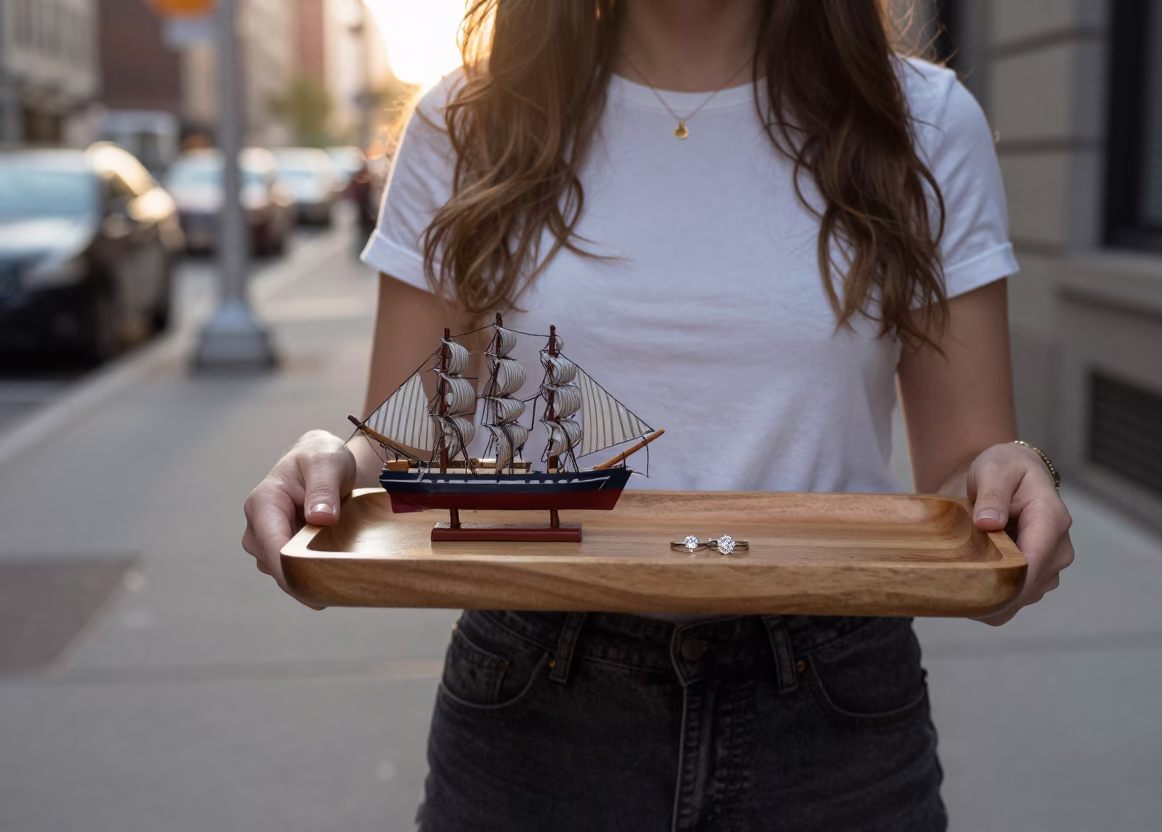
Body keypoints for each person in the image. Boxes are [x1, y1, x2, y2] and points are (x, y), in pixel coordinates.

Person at [242, 1, 1076, 828]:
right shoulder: (466, 119)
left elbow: (968, 476)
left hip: (835, 713)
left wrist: (1013, 482)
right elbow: (404, 435)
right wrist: (335, 466)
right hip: (532, 697)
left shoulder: (923, 121)